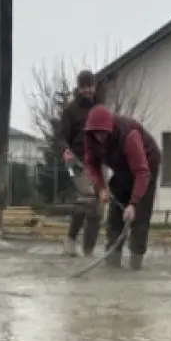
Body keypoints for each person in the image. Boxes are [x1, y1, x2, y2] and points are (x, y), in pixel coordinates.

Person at [82, 105, 161, 270]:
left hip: (146, 164)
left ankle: (135, 263)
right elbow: (91, 164)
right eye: (96, 133)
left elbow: (141, 171)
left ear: (110, 130)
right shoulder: (90, 140)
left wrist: (133, 203)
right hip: (122, 168)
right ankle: (112, 261)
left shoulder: (129, 136)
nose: (100, 137)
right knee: (115, 213)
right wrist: (101, 188)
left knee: (140, 215)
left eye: (103, 133)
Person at [55, 70, 101, 257]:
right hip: (75, 162)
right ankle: (71, 240)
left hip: (96, 161)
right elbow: (60, 137)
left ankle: (88, 250)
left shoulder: (100, 108)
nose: (88, 91)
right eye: (84, 87)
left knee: (96, 207)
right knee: (87, 198)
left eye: (90, 86)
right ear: (79, 88)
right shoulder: (71, 111)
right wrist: (65, 150)